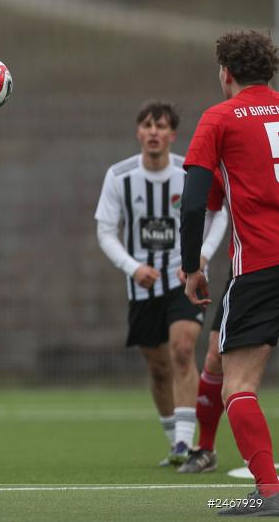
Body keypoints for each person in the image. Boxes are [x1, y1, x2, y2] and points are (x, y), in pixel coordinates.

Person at [95, 101, 227, 468]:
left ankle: (186, 444)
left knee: (183, 350)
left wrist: (200, 257)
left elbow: (218, 216)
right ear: (138, 132)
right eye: (147, 125)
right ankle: (174, 440)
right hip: (141, 286)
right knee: (157, 367)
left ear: (172, 134)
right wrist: (133, 267)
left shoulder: (190, 173)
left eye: (162, 126)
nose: (154, 132)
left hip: (184, 280)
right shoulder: (119, 176)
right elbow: (106, 231)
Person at [182, 29, 279, 515]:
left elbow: (195, 202)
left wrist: (189, 265)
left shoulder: (219, 118)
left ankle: (269, 492)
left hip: (261, 267)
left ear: (226, 73)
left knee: (238, 386)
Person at [177, 176, 229, 474]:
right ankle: (206, 447)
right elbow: (212, 208)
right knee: (215, 353)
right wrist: (196, 263)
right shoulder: (237, 137)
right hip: (254, 270)